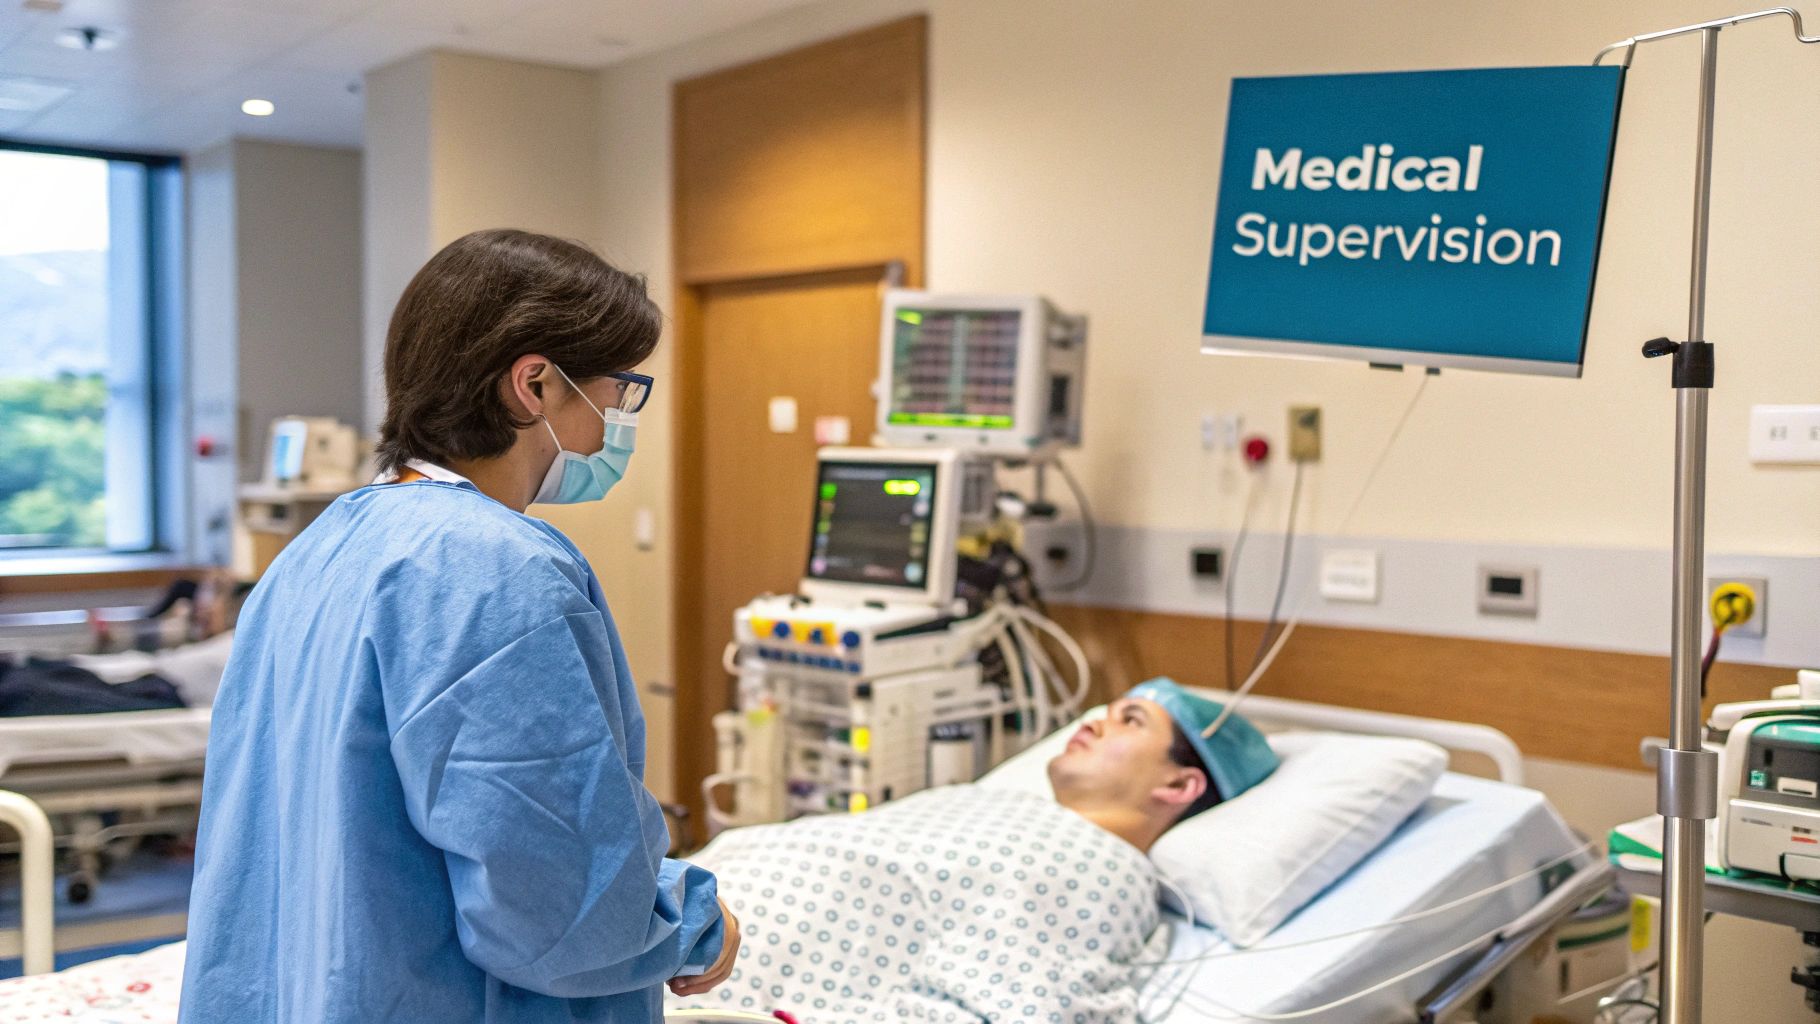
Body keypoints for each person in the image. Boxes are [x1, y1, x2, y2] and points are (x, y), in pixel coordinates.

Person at [181, 229, 738, 1024]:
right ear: (534, 385)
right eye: (618, 391)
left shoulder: (322, 548)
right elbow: (553, 897)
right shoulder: (496, 572)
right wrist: (688, 928)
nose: (616, 422)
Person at [666, 678, 1276, 1022]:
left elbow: (1025, 1002)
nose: (1095, 720)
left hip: (717, 986)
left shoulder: (1105, 871)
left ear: (1179, 784)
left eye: (1131, 722)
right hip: (679, 913)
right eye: (1107, 710)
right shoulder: (990, 802)